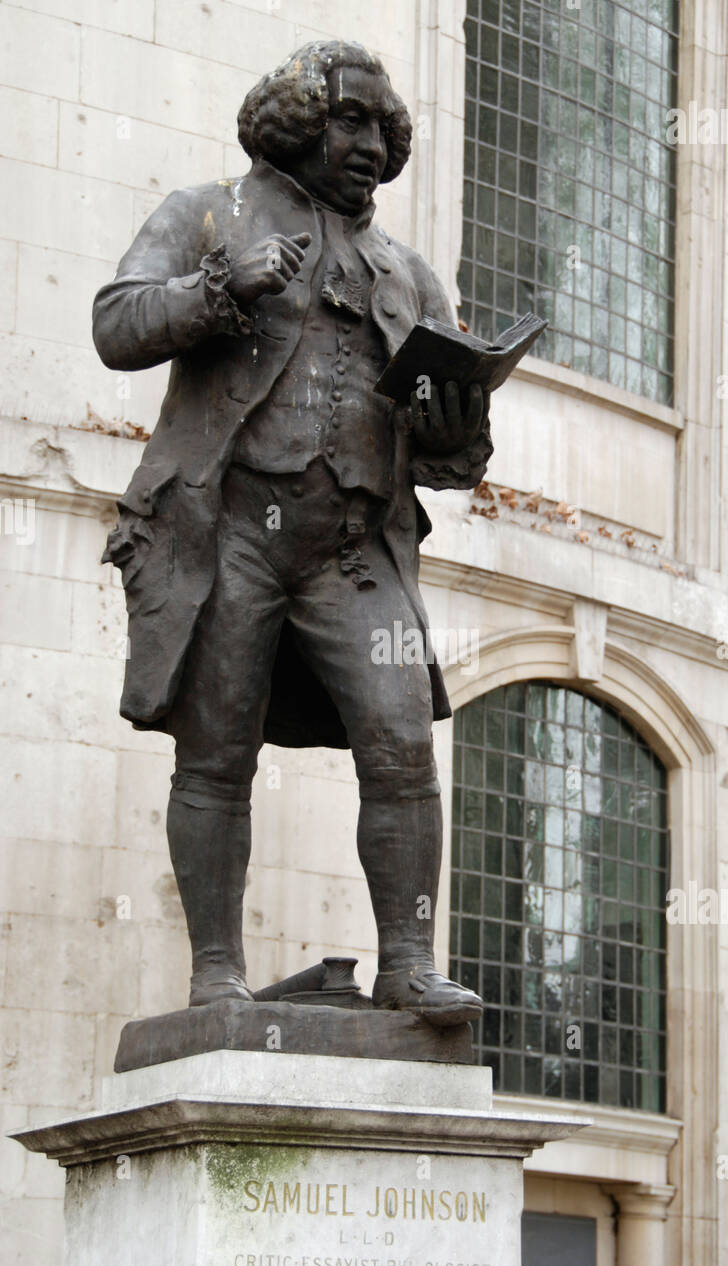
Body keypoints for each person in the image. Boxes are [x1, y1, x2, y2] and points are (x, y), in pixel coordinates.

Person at [93, 40, 491, 1025]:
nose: (370, 143)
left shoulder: (407, 276)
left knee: (403, 746)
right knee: (216, 756)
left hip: (355, 549)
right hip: (231, 532)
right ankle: (216, 971)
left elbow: (456, 455)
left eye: (382, 129)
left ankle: (408, 962)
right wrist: (217, 289)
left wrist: (457, 429)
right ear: (294, 121)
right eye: (349, 121)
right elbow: (116, 323)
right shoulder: (209, 214)